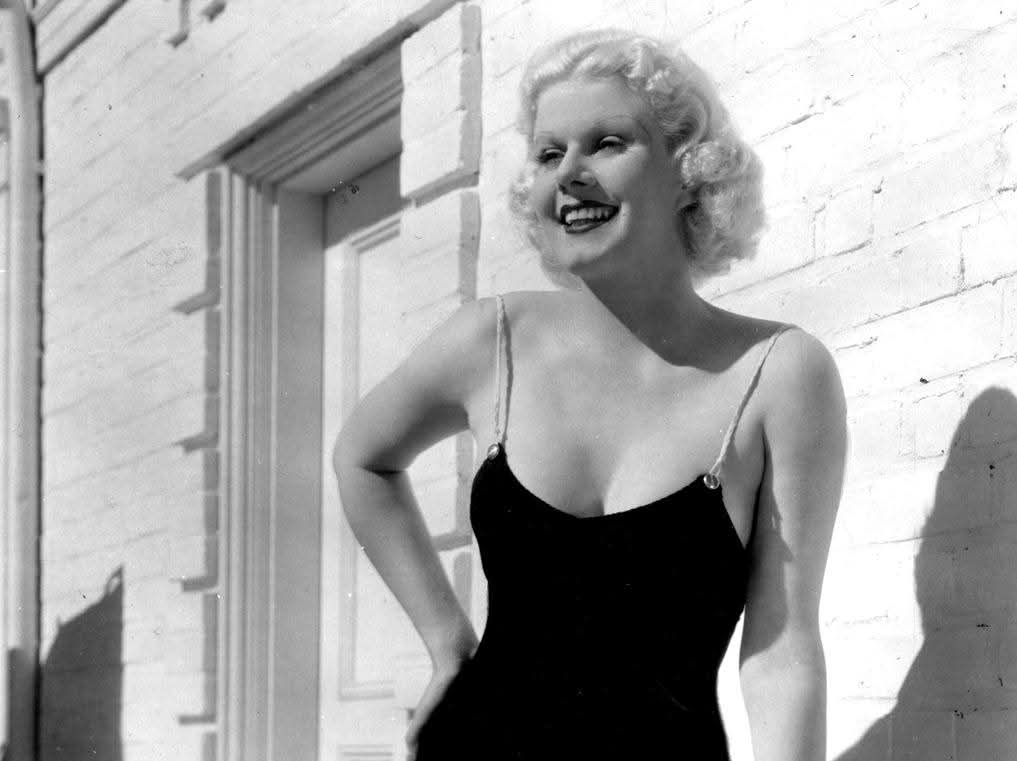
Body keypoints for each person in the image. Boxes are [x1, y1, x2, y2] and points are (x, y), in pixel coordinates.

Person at [333, 28, 847, 761]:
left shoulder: (778, 372)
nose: (569, 174)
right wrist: (446, 642)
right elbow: (361, 456)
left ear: (690, 172)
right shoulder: (492, 340)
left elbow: (782, 651)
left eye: (607, 143)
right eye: (549, 154)